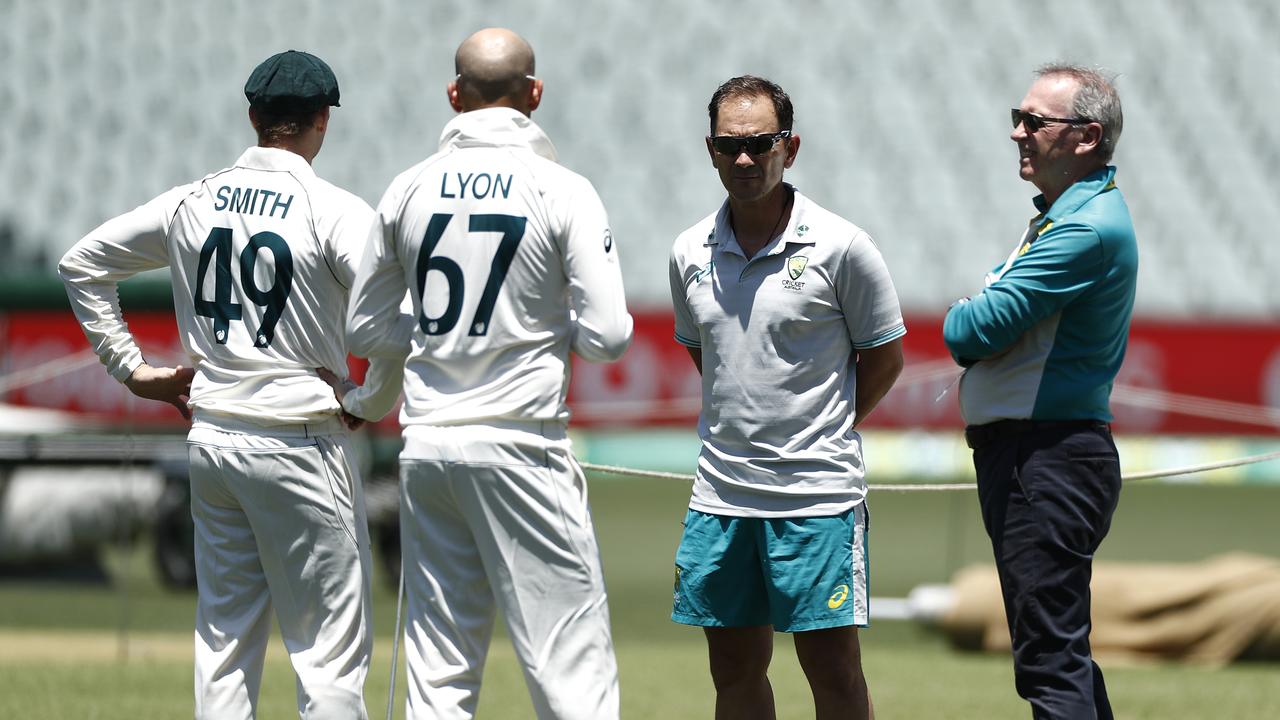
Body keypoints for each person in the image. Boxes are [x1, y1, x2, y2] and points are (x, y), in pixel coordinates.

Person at [58, 50, 402, 719]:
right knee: (328, 653)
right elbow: (389, 322)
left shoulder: (192, 198)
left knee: (223, 641)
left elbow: (81, 265)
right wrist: (370, 400)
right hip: (302, 438)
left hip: (213, 438)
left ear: (253, 116)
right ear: (322, 122)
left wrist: (132, 369)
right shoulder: (333, 208)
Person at [341, 28, 632, 720]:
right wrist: (531, 328)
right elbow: (610, 336)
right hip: (520, 445)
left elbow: (361, 327)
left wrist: (438, 338)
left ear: (453, 96)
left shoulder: (407, 187)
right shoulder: (564, 189)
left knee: (438, 673)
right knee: (571, 673)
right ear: (535, 94)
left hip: (431, 448)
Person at [668, 75, 905, 720]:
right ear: (710, 150)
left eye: (760, 143)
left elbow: (885, 358)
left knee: (833, 674)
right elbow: (706, 357)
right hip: (720, 497)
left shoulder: (844, 247)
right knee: (734, 674)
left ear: (790, 148)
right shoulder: (688, 250)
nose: (744, 159)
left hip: (817, 497)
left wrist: (824, 426)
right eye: (728, 145)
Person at [943, 64, 1137, 719]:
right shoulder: (1070, 216)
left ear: (1085, 137)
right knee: (1058, 655)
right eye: (1018, 117)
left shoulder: (1084, 229)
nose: (1016, 133)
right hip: (1042, 455)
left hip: (1043, 458)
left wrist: (969, 309)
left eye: (1033, 122)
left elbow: (971, 330)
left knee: (1050, 664)